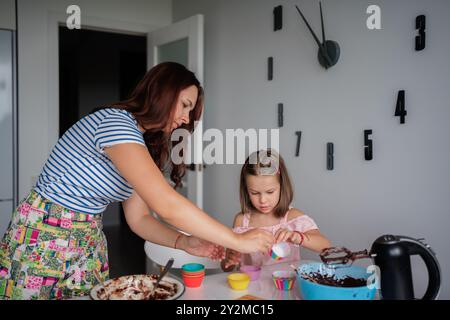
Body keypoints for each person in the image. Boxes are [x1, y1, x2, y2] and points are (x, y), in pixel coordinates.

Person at [0, 62, 274, 300]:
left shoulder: (140, 146)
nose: (186, 119)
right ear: (162, 92)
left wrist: (184, 242)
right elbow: (165, 204)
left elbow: (140, 218)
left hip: (87, 241)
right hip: (44, 235)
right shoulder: (114, 123)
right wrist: (238, 241)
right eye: (186, 106)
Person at [221, 149, 331, 271]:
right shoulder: (242, 221)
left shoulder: (292, 217)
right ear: (246, 190)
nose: (263, 200)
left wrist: (299, 237)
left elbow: (325, 246)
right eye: (255, 193)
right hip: (252, 288)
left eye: (270, 192)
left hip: (286, 288)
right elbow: (227, 268)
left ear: (282, 187)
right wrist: (229, 259)